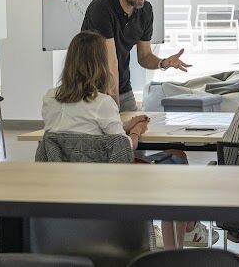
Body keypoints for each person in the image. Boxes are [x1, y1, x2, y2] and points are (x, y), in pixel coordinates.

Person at [42, 30, 195, 249]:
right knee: (178, 157)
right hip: (106, 183)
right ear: (100, 63)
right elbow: (122, 150)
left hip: (66, 184)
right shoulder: (102, 103)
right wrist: (136, 131)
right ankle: (184, 234)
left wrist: (123, 126)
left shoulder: (50, 99)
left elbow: (79, 135)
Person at [81, 0, 190, 112]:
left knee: (138, 130)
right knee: (114, 134)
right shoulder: (102, 8)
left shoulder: (145, 11)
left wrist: (163, 63)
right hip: (92, 91)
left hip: (123, 88)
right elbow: (110, 63)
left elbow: (144, 56)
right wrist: (115, 111)